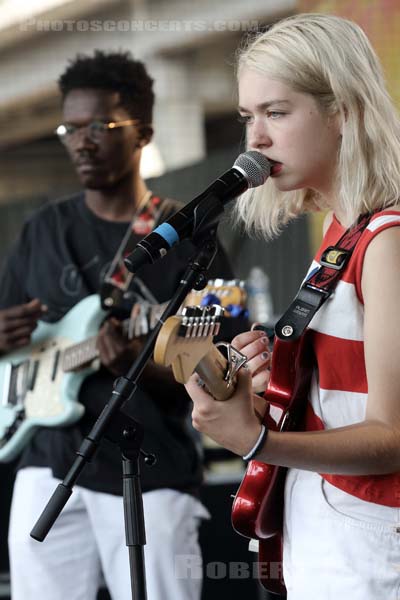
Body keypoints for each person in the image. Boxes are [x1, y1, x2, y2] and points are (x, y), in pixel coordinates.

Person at [1, 50, 236, 600]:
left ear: (143, 133)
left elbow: (220, 365)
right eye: (70, 128)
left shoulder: (188, 238)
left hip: (150, 466)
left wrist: (140, 366)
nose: (81, 142)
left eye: (101, 126)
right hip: (47, 462)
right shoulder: (42, 229)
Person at [185, 13, 400, 600]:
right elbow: (341, 406)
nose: (254, 138)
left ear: (343, 112)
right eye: (248, 117)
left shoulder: (387, 241)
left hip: (372, 546)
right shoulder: (342, 232)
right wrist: (269, 392)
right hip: (328, 535)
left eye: (276, 113)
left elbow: (392, 435)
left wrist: (256, 441)